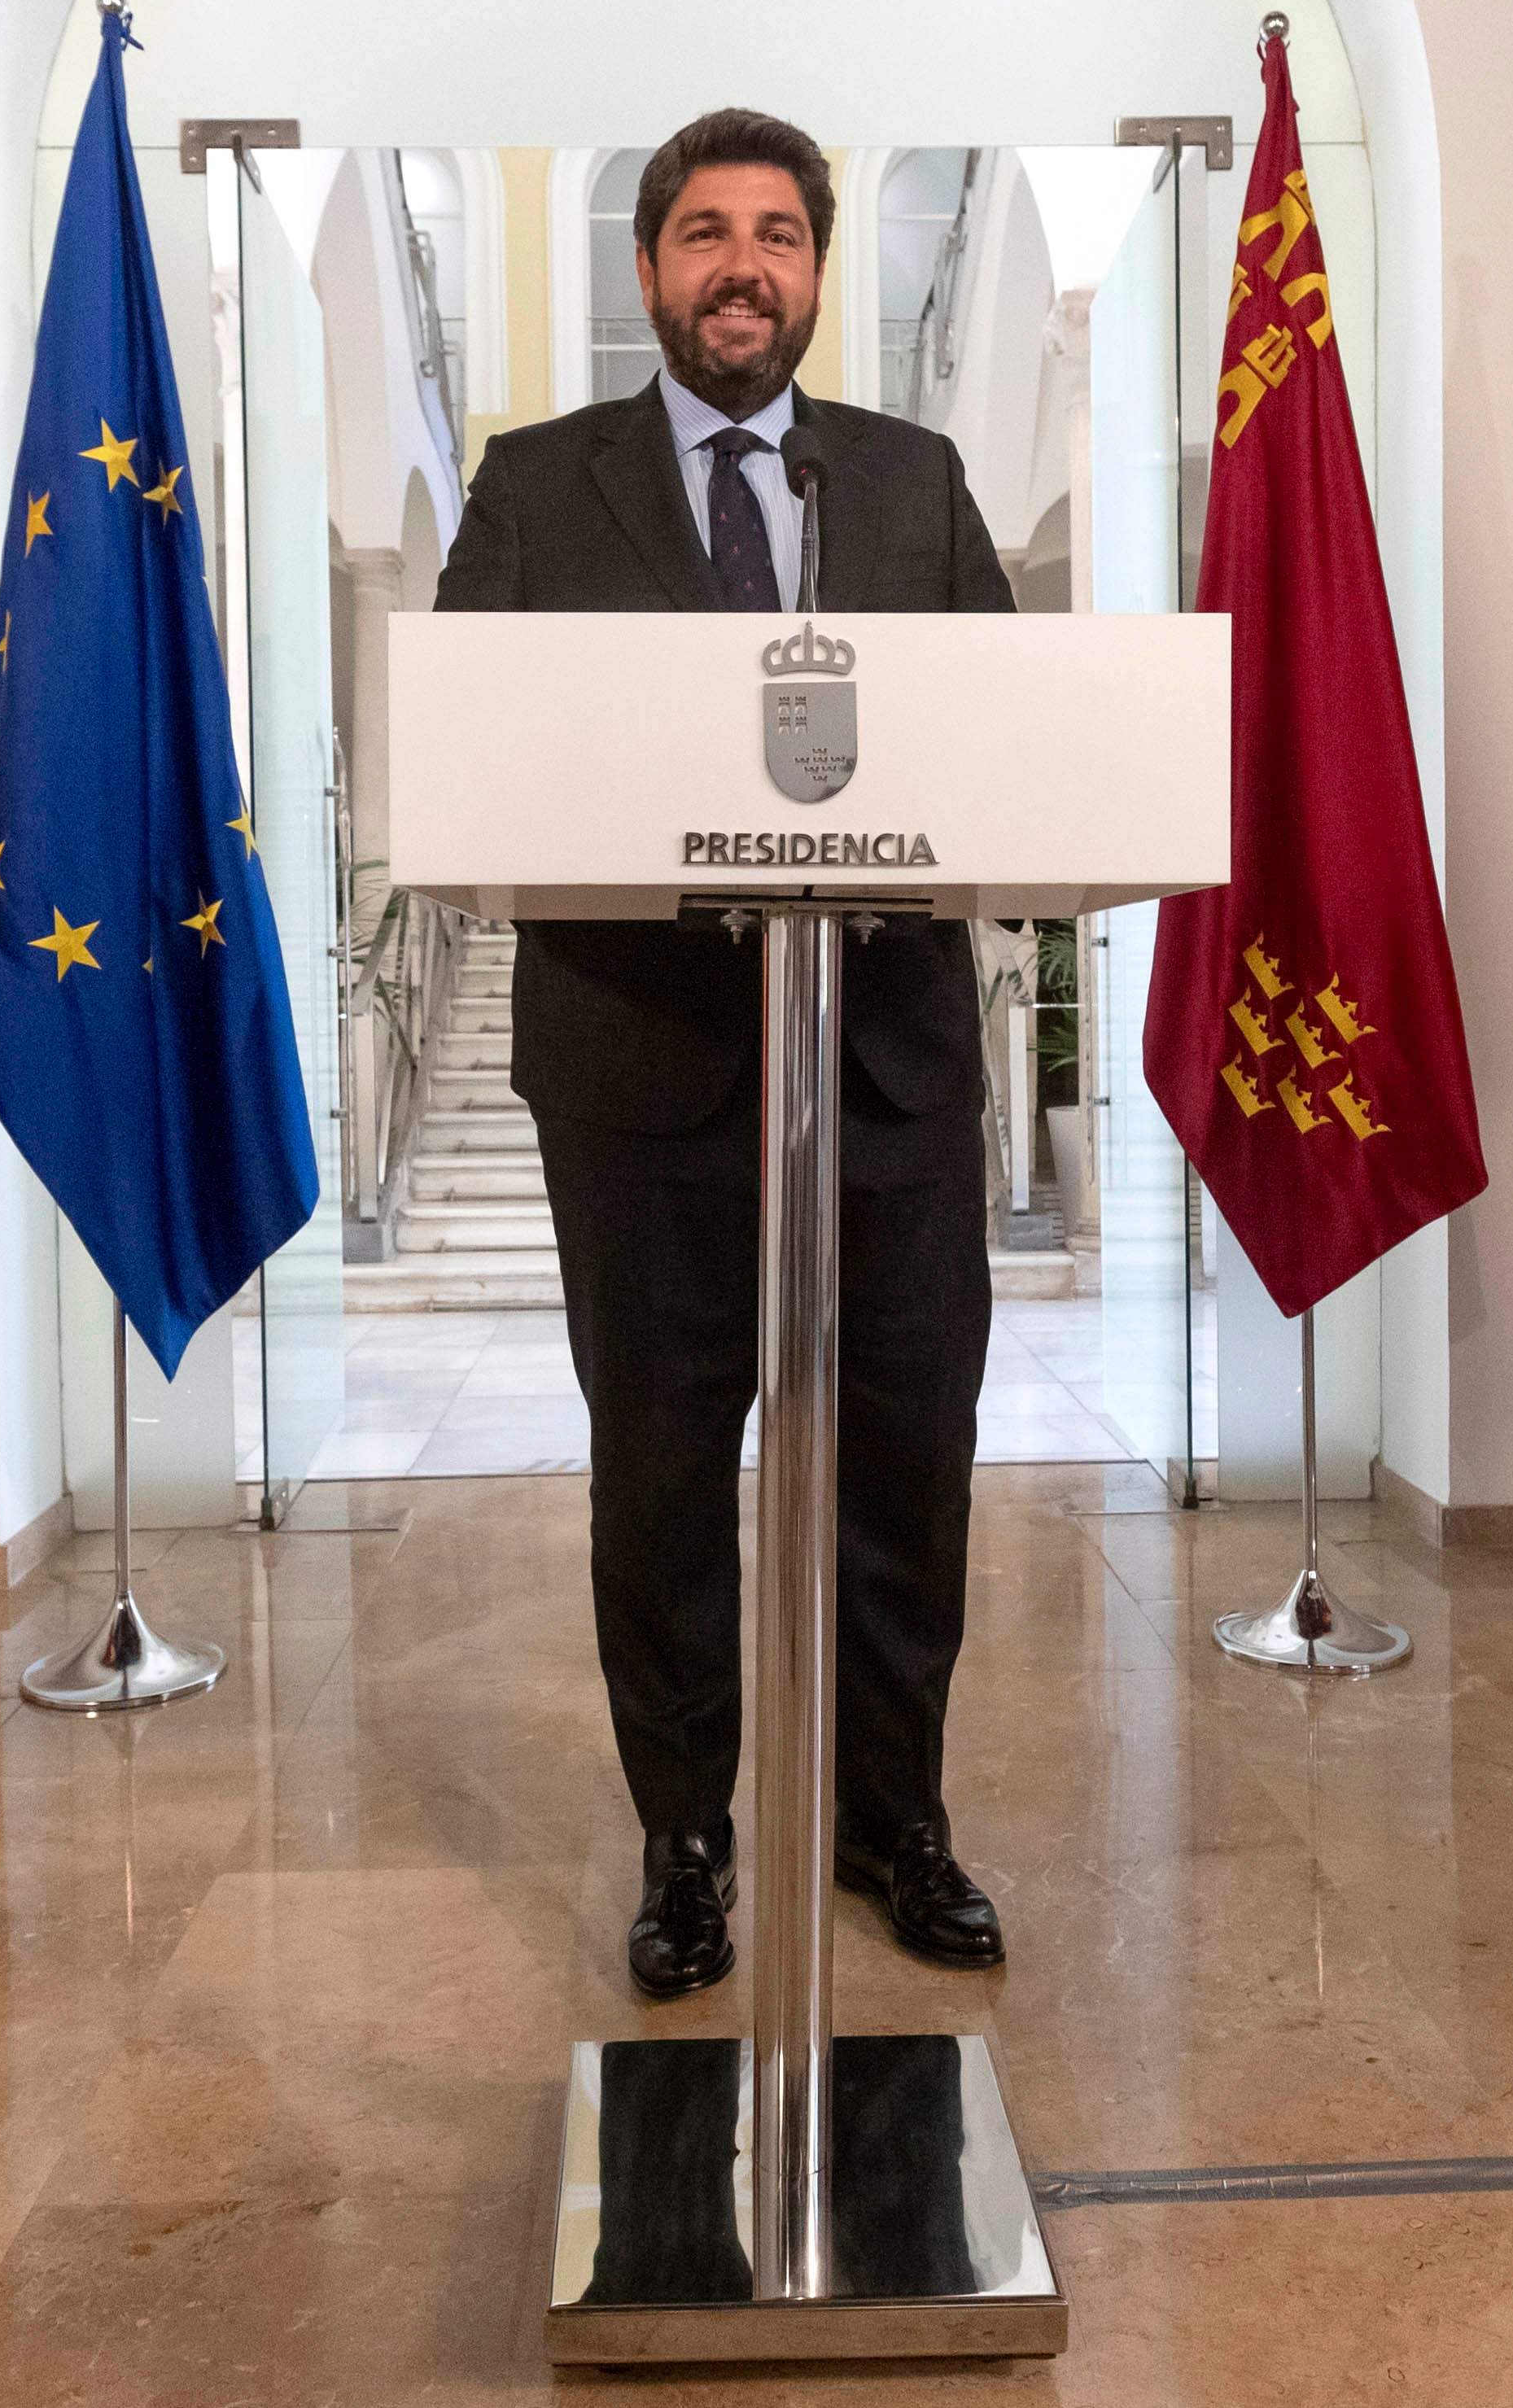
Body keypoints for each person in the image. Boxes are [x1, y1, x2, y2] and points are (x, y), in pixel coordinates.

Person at [432, 108, 1011, 1997]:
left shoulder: (913, 482)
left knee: (906, 1465)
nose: (740, 264)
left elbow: (1008, 742)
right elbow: (465, 744)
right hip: (643, 1070)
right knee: (666, 1474)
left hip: (889, 1073)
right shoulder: (536, 485)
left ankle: (889, 1819)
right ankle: (687, 1843)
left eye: (775, 232)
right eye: (702, 231)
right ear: (648, 271)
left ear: (820, 272)